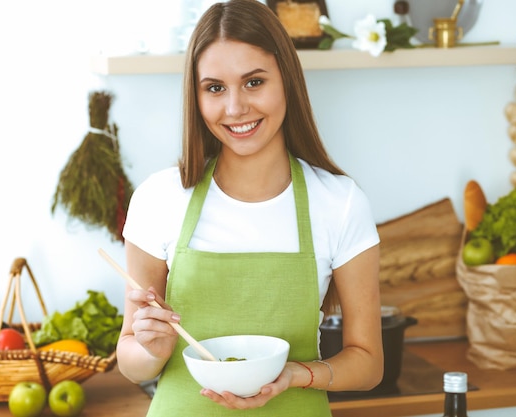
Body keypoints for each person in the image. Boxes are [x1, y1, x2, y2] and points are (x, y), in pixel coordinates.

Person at [117, 0, 383, 415]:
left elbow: (368, 363)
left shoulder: (340, 203)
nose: (235, 108)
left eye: (254, 82)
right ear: (197, 95)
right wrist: (152, 349)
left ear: (287, 80)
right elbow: (130, 360)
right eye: (215, 88)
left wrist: (296, 374)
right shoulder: (160, 198)